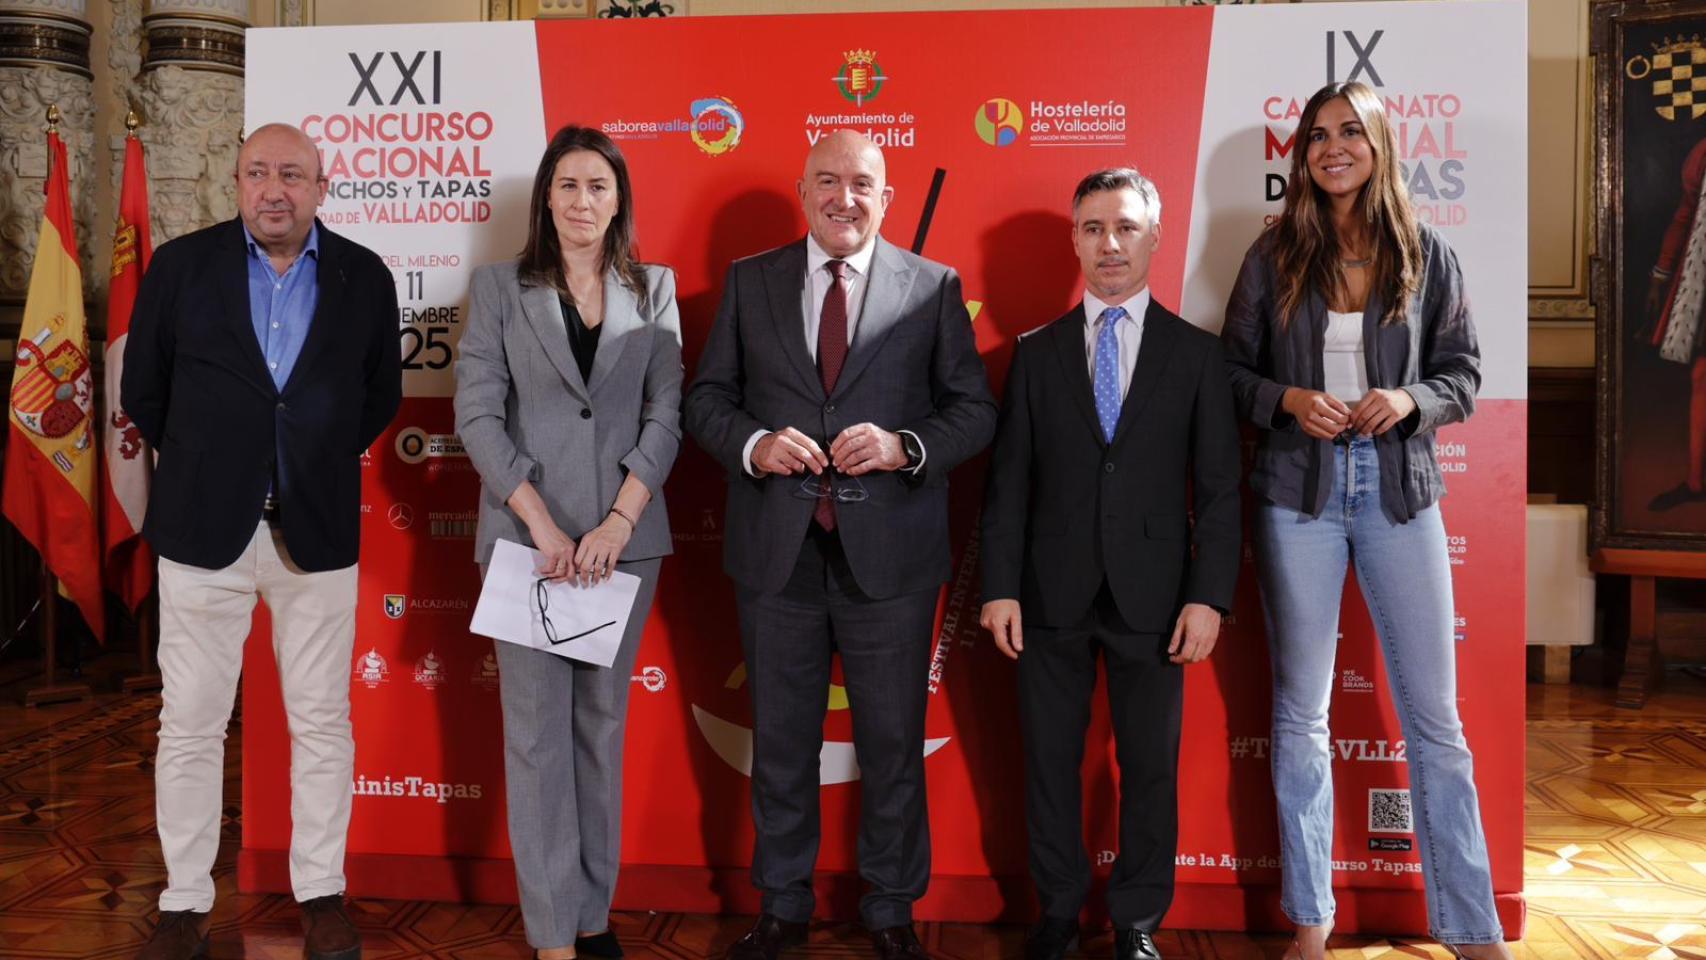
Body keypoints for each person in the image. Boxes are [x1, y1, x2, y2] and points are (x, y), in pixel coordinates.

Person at [683, 129, 996, 960]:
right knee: (781, 744)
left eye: (862, 183)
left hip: (890, 558)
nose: (844, 197)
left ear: (886, 197)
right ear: (803, 188)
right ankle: (782, 905)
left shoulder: (933, 287)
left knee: (893, 745)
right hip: (775, 554)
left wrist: (904, 446)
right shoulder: (750, 284)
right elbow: (706, 401)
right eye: (828, 180)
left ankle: (890, 909)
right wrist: (754, 446)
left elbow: (973, 412)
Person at [1220, 81, 1510, 960]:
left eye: (1351, 131)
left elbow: (1462, 375)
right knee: (1301, 715)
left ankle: (1470, 926)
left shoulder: (1429, 256)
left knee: (1438, 724)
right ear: (1302, 154)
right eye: (1318, 135)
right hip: (1294, 498)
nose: (1333, 147)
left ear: (1381, 144)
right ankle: (1310, 918)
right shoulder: (1271, 257)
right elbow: (1229, 374)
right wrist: (1288, 398)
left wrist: (1409, 398)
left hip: (1399, 494)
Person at [120, 122, 402, 960]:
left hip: (312, 531)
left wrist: (306, 452)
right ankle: (183, 900)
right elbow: (145, 391)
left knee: (321, 721)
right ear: (236, 183)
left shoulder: (364, 275)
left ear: (323, 186)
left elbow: (378, 396)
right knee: (192, 722)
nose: (273, 188)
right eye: (257, 172)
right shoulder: (179, 267)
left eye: (292, 173)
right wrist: (222, 459)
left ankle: (320, 892)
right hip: (203, 529)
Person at [978, 169, 1240, 960]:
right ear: (1075, 241)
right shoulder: (1035, 353)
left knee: (1150, 770)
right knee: (1049, 767)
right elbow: (1008, 485)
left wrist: (1210, 599)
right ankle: (1058, 913)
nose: (1110, 244)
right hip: (1048, 595)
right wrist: (998, 589)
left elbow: (1223, 491)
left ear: (1156, 237)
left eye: (1125, 227)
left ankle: (1136, 922)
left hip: (1157, 601)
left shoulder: (1198, 356)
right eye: (1092, 228)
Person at [454, 125, 682, 960]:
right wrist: (542, 522)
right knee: (537, 736)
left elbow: (667, 414)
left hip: (624, 545)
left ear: (619, 200)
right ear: (546, 197)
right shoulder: (501, 288)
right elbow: (475, 413)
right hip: (529, 544)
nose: (583, 201)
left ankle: (594, 918)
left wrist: (619, 520)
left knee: (599, 729)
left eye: (599, 186)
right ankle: (554, 936)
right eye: (569, 184)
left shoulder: (654, 289)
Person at [1643, 135, 1706, 511]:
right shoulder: (1701, 154)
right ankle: (1696, 481)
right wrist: (1660, 274)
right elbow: (1685, 214)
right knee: (1701, 378)